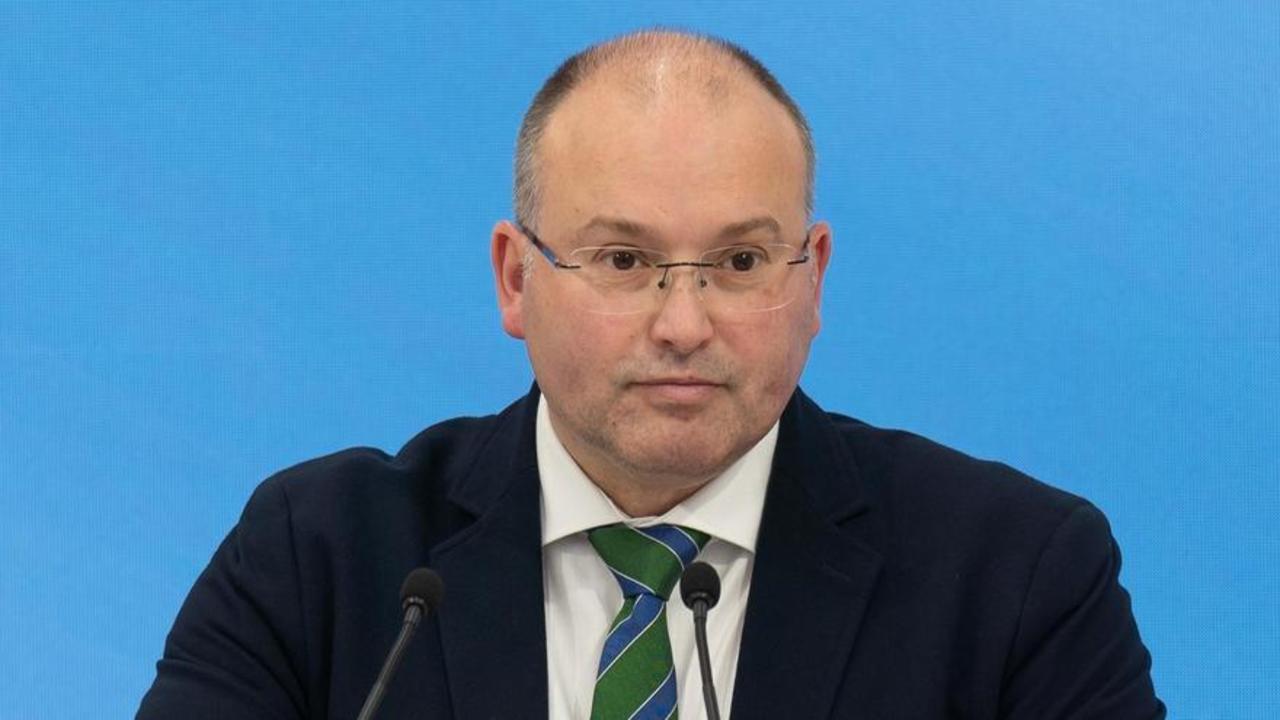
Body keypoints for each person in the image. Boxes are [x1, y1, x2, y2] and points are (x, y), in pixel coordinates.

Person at [138, 30, 1164, 719]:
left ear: (812, 280)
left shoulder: (1017, 578)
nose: (683, 324)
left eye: (739, 262)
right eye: (624, 260)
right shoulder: (322, 558)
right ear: (515, 279)